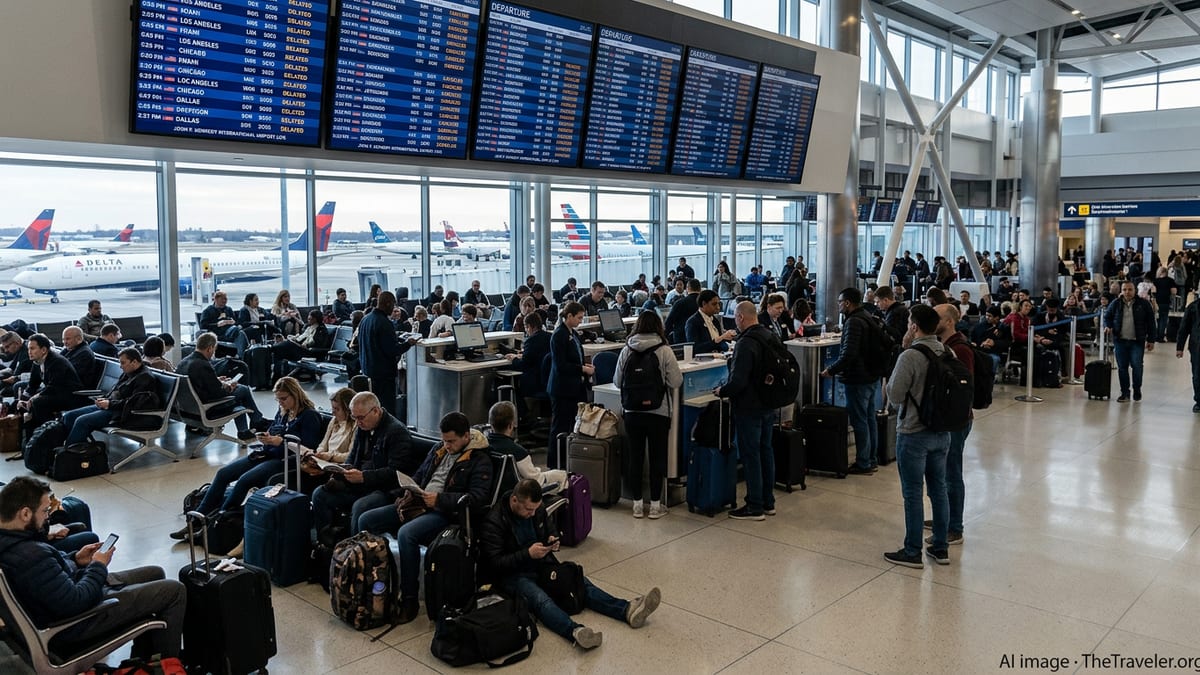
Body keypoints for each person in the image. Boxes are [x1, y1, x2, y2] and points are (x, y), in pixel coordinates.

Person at [0, 477, 187, 659]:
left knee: (155, 573)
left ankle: (143, 661)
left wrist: (76, 559)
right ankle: (168, 666)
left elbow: (49, 575)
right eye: (45, 511)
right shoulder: (30, 556)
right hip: (76, 622)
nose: (48, 516)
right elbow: (76, 601)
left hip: (62, 600)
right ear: (25, 514)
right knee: (173, 591)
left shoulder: (13, 541)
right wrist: (98, 565)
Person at [480, 479, 661, 649]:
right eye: (528, 510)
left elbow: (548, 527)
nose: (532, 514)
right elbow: (495, 563)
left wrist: (552, 539)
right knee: (541, 600)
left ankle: (626, 610)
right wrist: (526, 554)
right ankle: (575, 631)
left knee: (578, 582)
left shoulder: (537, 508)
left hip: (542, 563)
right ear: (514, 500)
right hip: (514, 575)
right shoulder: (494, 521)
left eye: (535, 509)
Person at [367, 412, 492, 623]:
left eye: (452, 441)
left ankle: (409, 599)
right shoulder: (439, 449)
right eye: (444, 440)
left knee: (407, 534)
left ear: (466, 437)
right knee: (367, 520)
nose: (447, 445)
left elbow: (477, 498)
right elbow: (421, 474)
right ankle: (371, 581)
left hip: (445, 513)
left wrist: (440, 500)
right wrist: (409, 489)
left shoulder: (480, 460)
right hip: (419, 502)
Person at [169, 377, 322, 541]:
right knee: (223, 474)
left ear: (295, 395)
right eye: (278, 399)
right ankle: (196, 520)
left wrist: (282, 442)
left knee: (244, 481)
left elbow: (308, 447)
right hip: (268, 452)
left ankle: (218, 521)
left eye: (284, 399)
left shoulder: (309, 416)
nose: (281, 403)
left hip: (285, 460)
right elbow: (274, 430)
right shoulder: (284, 411)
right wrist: (266, 437)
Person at [885, 304, 952, 569]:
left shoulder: (910, 356)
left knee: (913, 493)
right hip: (942, 431)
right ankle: (940, 546)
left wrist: (903, 350)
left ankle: (912, 550)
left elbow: (895, 395)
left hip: (913, 433)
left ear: (914, 326)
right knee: (939, 489)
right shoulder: (948, 351)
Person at [311, 392, 422, 535]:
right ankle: (325, 542)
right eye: (354, 417)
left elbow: (396, 472)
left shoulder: (397, 433)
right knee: (320, 494)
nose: (357, 422)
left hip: (385, 489)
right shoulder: (363, 427)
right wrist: (342, 470)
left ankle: (353, 552)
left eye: (360, 417)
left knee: (360, 506)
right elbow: (352, 458)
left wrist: (364, 477)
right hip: (360, 484)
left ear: (376, 411)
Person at [614, 310, 682, 519]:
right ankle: (654, 505)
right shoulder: (664, 350)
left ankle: (636, 504)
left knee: (635, 458)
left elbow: (617, 381)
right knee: (657, 457)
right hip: (658, 412)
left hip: (632, 412)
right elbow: (675, 382)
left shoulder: (626, 349)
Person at [715, 302, 776, 521]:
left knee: (751, 455)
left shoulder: (745, 343)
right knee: (765, 450)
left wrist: (722, 391)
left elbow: (738, 381)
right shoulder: (769, 335)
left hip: (749, 406)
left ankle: (755, 506)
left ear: (740, 317)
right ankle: (768, 501)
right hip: (769, 402)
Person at [821, 288, 883, 475]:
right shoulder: (866, 316)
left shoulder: (854, 322)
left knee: (859, 420)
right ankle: (871, 458)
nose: (838, 304)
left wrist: (831, 370)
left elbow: (849, 353)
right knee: (869, 418)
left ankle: (863, 462)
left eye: (840, 301)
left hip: (858, 378)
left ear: (847, 303)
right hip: (871, 375)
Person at [930, 304, 972, 547]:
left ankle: (954, 526)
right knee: (943, 472)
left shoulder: (959, 349)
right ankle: (942, 518)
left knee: (952, 473)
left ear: (948, 322)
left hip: (956, 420)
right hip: (949, 419)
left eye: (937, 317)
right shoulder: (945, 345)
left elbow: (963, 387)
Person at [61, 347, 158, 447]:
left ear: (134, 362)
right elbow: (116, 390)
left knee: (82, 421)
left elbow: (134, 403)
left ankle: (68, 452)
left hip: (123, 414)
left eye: (123, 363)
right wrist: (105, 399)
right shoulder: (129, 373)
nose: (120, 366)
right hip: (112, 407)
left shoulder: (145, 378)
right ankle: (75, 447)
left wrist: (109, 404)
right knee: (69, 416)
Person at [176, 332, 265, 441]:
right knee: (243, 390)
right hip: (207, 408)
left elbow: (199, 382)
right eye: (214, 349)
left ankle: (247, 428)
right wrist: (229, 387)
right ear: (209, 348)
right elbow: (218, 393)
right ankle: (256, 421)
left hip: (188, 408)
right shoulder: (203, 364)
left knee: (239, 394)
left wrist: (217, 380)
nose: (213, 353)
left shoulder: (184, 362)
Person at [547, 302, 594, 468]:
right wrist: (581, 368)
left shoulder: (573, 333)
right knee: (559, 426)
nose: (581, 321)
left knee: (570, 425)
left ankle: (566, 459)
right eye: (579, 318)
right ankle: (555, 463)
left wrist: (585, 367)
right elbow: (560, 365)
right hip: (562, 389)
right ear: (569, 316)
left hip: (574, 387)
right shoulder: (558, 335)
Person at [486, 401, 565, 489]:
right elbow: (536, 480)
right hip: (521, 493)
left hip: (495, 489)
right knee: (562, 476)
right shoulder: (518, 452)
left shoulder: (484, 445)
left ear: (491, 424)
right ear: (511, 425)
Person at [17, 333, 84, 431]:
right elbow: (33, 384)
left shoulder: (56, 362)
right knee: (21, 403)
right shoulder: (37, 361)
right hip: (56, 393)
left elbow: (54, 386)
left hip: (70, 395)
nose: (29, 352)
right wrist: (24, 397)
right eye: (28, 349)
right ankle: (31, 435)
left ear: (43, 350)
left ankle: (50, 431)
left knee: (38, 402)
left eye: (32, 349)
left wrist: (33, 398)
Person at [358, 291, 410, 417]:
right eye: (393, 305)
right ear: (387, 304)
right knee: (386, 410)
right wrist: (408, 343)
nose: (393, 309)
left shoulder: (365, 319)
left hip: (368, 369)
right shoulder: (385, 323)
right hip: (384, 374)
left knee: (373, 408)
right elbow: (392, 350)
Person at [1105, 280, 1157, 402]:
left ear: (1135, 290)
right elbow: (1108, 316)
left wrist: (1151, 340)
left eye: (1130, 289)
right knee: (1122, 368)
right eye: (1124, 290)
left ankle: (1137, 389)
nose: (1127, 292)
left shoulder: (1143, 304)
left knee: (1137, 366)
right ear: (1121, 291)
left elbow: (1151, 322)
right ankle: (1125, 392)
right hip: (1120, 341)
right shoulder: (1116, 303)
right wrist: (1108, 325)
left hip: (1137, 341)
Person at [295, 387, 357, 488]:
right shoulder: (334, 421)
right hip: (326, 462)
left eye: (337, 409)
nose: (333, 412)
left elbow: (350, 455)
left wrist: (329, 456)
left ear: (348, 410)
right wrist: (318, 455)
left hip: (339, 466)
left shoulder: (356, 426)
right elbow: (323, 444)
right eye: (332, 408)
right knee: (302, 467)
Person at [270, 309, 332, 380]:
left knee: (280, 349)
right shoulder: (309, 328)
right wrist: (294, 339)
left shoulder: (321, 330)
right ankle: (275, 377)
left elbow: (317, 344)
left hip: (310, 353)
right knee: (278, 353)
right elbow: (300, 339)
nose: (308, 319)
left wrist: (302, 344)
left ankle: (276, 377)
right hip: (301, 350)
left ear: (315, 319)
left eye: (310, 318)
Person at [505, 311, 550, 399]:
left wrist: (514, 358)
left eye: (525, 327)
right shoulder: (550, 336)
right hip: (548, 382)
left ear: (528, 326)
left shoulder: (531, 341)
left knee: (512, 381)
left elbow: (523, 365)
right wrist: (523, 355)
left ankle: (522, 411)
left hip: (535, 384)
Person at [685, 290, 736, 354]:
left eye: (718, 304)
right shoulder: (692, 322)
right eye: (714, 304)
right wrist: (718, 340)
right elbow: (694, 348)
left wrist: (728, 338)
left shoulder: (715, 320)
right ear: (704, 304)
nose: (718, 307)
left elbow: (720, 343)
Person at [1176, 294, 1200, 413]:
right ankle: (1199, 401)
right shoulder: (1193, 307)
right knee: (1197, 375)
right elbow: (1184, 328)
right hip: (1197, 347)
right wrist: (1180, 347)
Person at [971, 306, 1012, 373]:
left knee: (994, 360)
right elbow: (973, 339)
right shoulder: (979, 326)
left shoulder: (1003, 328)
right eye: (986, 315)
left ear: (997, 318)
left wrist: (994, 343)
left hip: (994, 352)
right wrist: (982, 344)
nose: (987, 317)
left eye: (990, 316)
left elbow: (1007, 342)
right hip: (979, 350)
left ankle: (989, 378)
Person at [664, 279, 701, 344]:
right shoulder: (704, 303)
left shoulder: (680, 303)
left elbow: (669, 322)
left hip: (681, 338)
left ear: (687, 288)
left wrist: (664, 337)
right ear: (700, 288)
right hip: (701, 338)